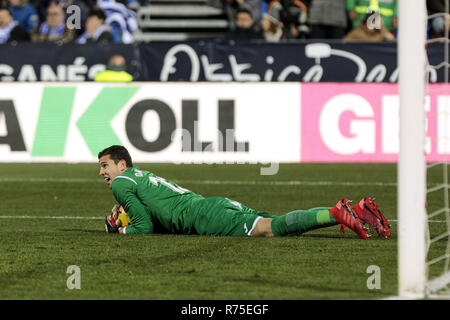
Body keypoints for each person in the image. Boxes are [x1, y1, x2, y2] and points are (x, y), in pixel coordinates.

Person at [99, 145, 391, 239]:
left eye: (105, 166)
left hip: (204, 217)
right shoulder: (142, 176)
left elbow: (145, 227)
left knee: (269, 229)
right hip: (212, 205)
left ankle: (337, 211)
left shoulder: (123, 183)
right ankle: (353, 210)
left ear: (121, 164)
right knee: (281, 224)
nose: (102, 173)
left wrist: (122, 231)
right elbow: (158, 215)